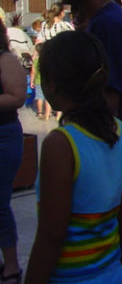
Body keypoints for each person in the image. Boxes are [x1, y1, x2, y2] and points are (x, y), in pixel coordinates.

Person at [43, 0, 122, 284]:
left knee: (114, 245)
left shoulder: (108, 25)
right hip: (115, 152)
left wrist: (71, 149)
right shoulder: (101, 20)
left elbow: (108, 104)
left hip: (101, 157)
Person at [25, 31, 122, 284]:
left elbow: (51, 237)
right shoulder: (120, 130)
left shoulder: (61, 144)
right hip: (112, 272)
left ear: (51, 85)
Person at [0, 18, 26, 284]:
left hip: (3, 137)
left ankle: (11, 265)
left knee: (0, 204)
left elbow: (17, 96)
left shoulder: (5, 59)